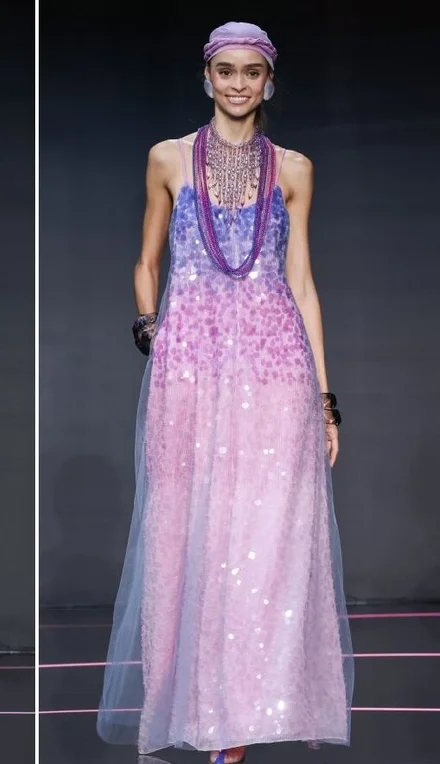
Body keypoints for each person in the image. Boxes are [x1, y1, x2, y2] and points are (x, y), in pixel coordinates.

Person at [96, 22, 354, 764]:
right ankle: (205, 710)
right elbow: (146, 262)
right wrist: (154, 330)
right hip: (192, 367)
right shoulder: (168, 158)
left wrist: (325, 398)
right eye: (226, 70)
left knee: (265, 537)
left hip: (274, 366)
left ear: (268, 79)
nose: (238, 83)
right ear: (206, 76)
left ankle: (240, 716)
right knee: (190, 532)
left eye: (251, 72)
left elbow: (302, 282)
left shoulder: (295, 169)